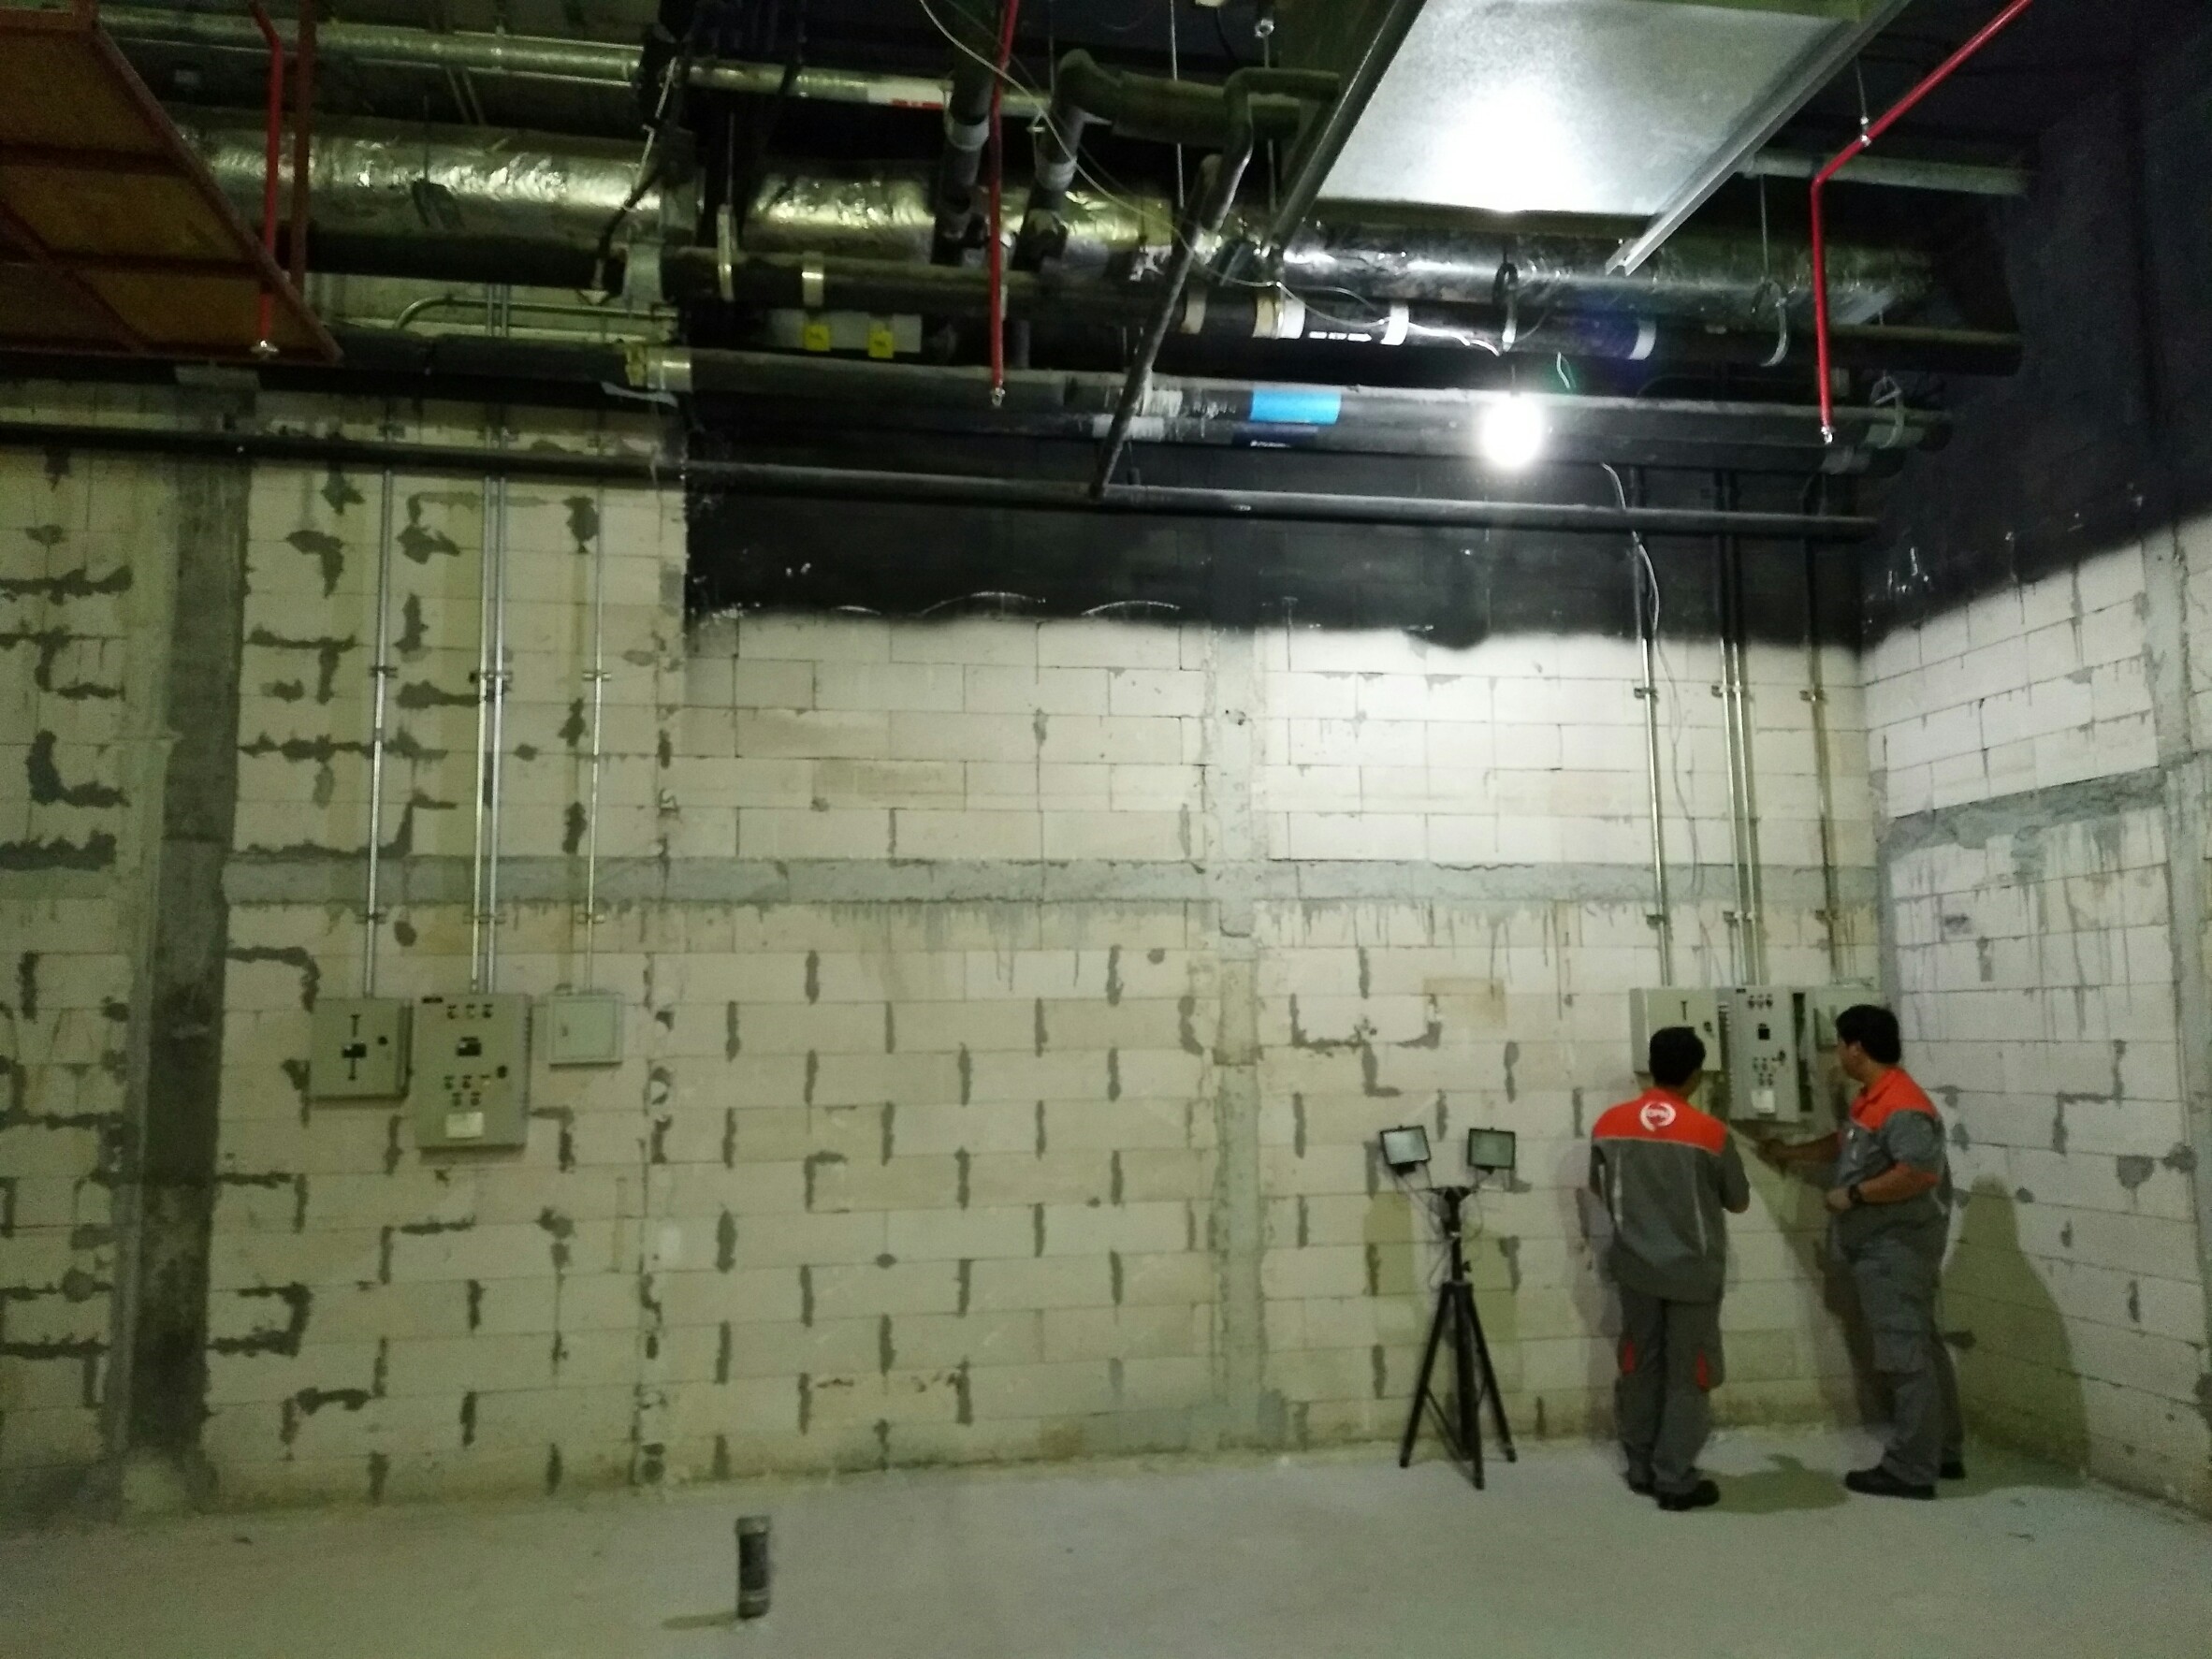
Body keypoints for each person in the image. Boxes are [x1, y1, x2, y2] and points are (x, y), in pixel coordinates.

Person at [1764, 1003, 1963, 1500]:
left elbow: (1918, 1173)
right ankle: (1941, 1449)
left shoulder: (1903, 1104)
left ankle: (1911, 1469)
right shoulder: (1875, 1098)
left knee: (1904, 1355)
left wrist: (1852, 1195)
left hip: (1895, 1247)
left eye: (1839, 1044)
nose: (1836, 1054)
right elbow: (1844, 1145)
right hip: (1885, 1244)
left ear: (1856, 1048)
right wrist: (1790, 1153)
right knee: (1920, 1346)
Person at [1589, 1026, 1752, 1512]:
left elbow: (1598, 1187)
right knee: (1689, 1373)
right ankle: (1675, 1478)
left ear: (1651, 1068)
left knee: (1639, 1364)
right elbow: (1738, 1200)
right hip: (1692, 1275)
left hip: (1635, 1270)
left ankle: (1640, 1467)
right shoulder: (1710, 1133)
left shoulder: (1609, 1125)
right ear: (1696, 1074)